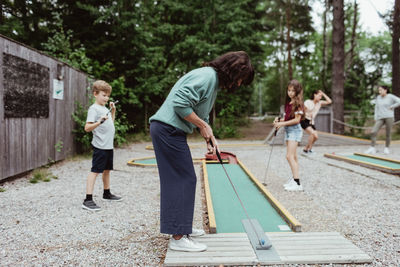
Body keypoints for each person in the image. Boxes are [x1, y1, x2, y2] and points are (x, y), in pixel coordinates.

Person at [149, 51, 254, 252]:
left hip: (170, 130)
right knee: (183, 179)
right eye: (240, 79)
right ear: (233, 71)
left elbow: (198, 113)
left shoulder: (212, 82)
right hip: (167, 130)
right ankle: (178, 237)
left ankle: (182, 228)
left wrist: (208, 135)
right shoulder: (207, 76)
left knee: (183, 178)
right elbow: (180, 103)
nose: (239, 84)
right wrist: (201, 125)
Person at [82, 80, 122, 211]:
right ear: (95, 94)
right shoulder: (93, 109)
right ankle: (87, 199)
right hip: (100, 146)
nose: (106, 98)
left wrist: (113, 111)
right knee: (95, 171)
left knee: (107, 171)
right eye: (103, 95)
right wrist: (99, 122)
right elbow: (87, 127)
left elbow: (110, 123)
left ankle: (107, 193)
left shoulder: (105, 109)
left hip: (108, 146)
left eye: (108, 95)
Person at [273, 80, 304, 191]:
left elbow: (297, 120)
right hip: (288, 130)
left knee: (289, 156)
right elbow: (288, 119)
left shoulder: (298, 104)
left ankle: (297, 183)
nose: (290, 93)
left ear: (297, 91)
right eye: (289, 90)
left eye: (293, 91)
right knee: (293, 157)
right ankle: (294, 179)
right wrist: (279, 121)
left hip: (295, 131)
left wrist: (282, 124)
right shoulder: (289, 103)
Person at [365, 85, 400, 154]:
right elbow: (376, 108)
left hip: (389, 117)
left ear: (385, 90)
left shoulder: (390, 96)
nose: (379, 91)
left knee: (388, 133)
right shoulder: (378, 97)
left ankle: (387, 148)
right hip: (380, 117)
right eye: (379, 90)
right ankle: (372, 148)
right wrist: (375, 117)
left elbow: (399, 101)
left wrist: (392, 106)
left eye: (381, 90)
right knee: (373, 132)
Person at [301, 90, 332, 155]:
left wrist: (323, 93)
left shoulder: (319, 103)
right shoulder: (308, 102)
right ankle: (309, 150)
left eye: (321, 96)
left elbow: (329, 101)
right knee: (312, 133)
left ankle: (306, 148)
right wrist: (307, 114)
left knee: (316, 137)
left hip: (311, 121)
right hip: (304, 120)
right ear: (315, 95)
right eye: (319, 96)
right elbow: (302, 111)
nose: (320, 97)